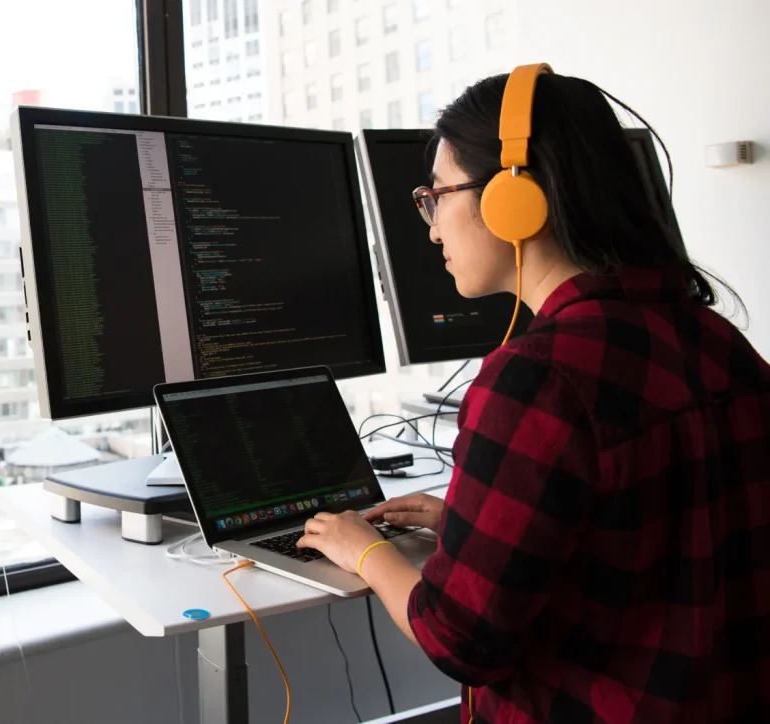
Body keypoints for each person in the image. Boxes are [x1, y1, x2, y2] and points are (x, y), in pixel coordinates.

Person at [297, 65, 770, 722]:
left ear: (514, 200)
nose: (431, 228)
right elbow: (660, 533)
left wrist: (363, 549)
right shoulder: (720, 340)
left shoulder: (538, 379)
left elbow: (459, 638)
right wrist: (471, 523)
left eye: (436, 196)